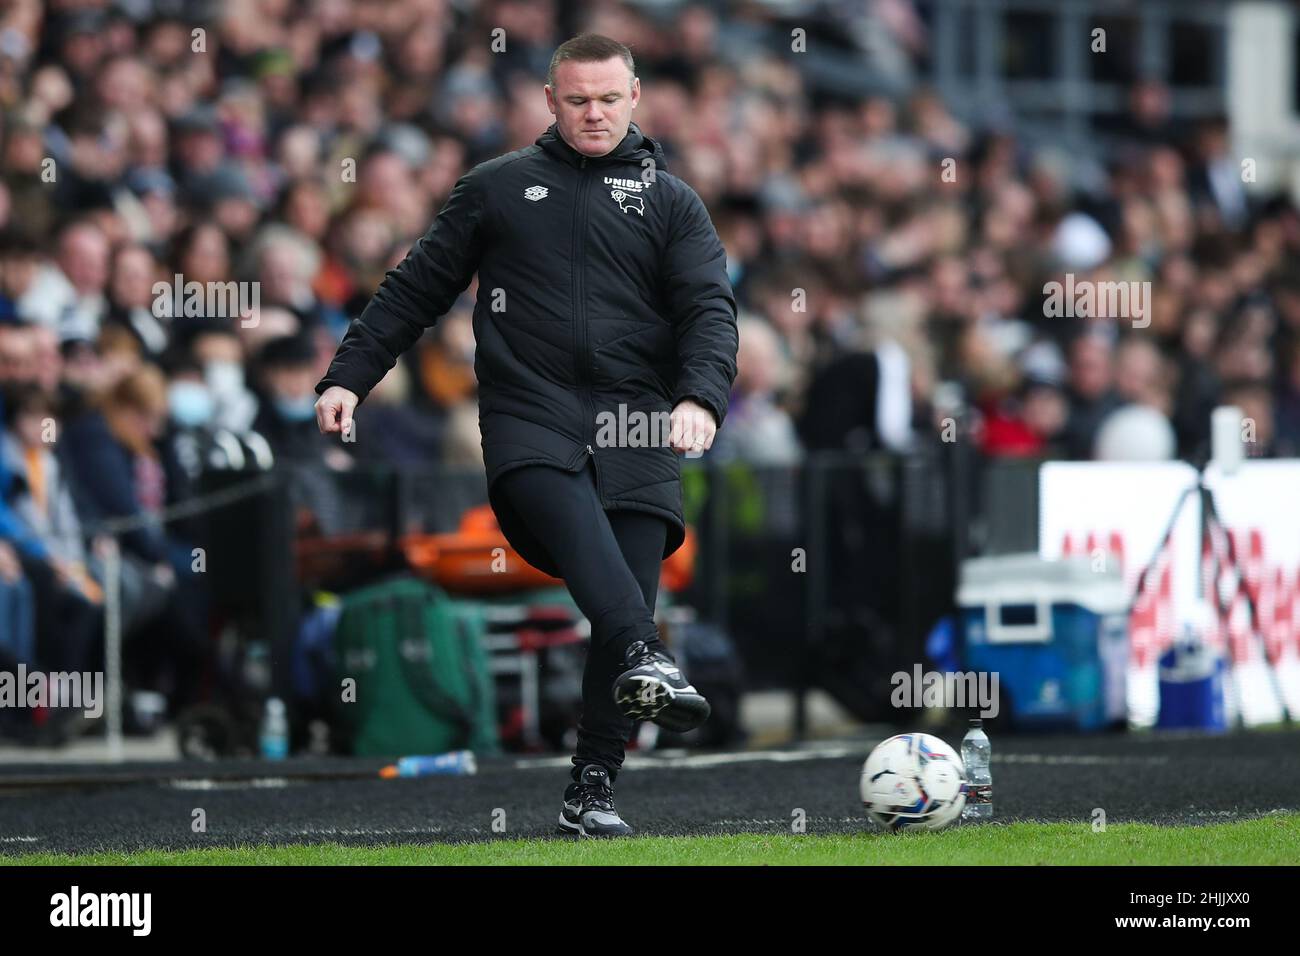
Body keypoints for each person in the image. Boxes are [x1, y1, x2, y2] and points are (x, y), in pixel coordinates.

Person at [315, 34, 738, 836]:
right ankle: (647, 655)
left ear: (636, 95)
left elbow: (709, 313)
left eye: (609, 99)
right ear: (549, 101)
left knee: (623, 606)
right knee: (617, 602)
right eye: (577, 99)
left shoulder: (674, 202)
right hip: (528, 415)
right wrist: (347, 376)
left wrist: (702, 400)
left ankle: (591, 790)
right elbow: (415, 288)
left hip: (640, 424)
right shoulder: (498, 188)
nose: (593, 113)